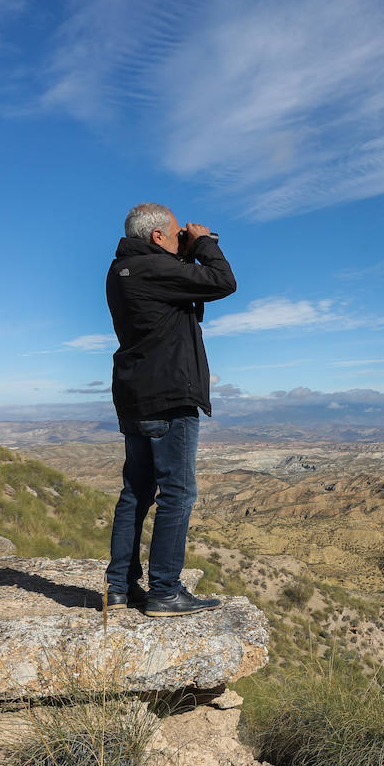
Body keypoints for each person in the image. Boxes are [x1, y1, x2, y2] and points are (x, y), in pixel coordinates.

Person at [104, 202, 236, 616]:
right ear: (157, 236)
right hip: (168, 398)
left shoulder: (123, 270)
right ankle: (164, 590)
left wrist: (185, 250)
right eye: (177, 233)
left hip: (135, 396)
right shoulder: (151, 269)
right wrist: (205, 245)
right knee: (177, 494)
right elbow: (222, 281)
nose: (183, 238)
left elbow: (182, 295)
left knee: (136, 493)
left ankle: (119, 587)